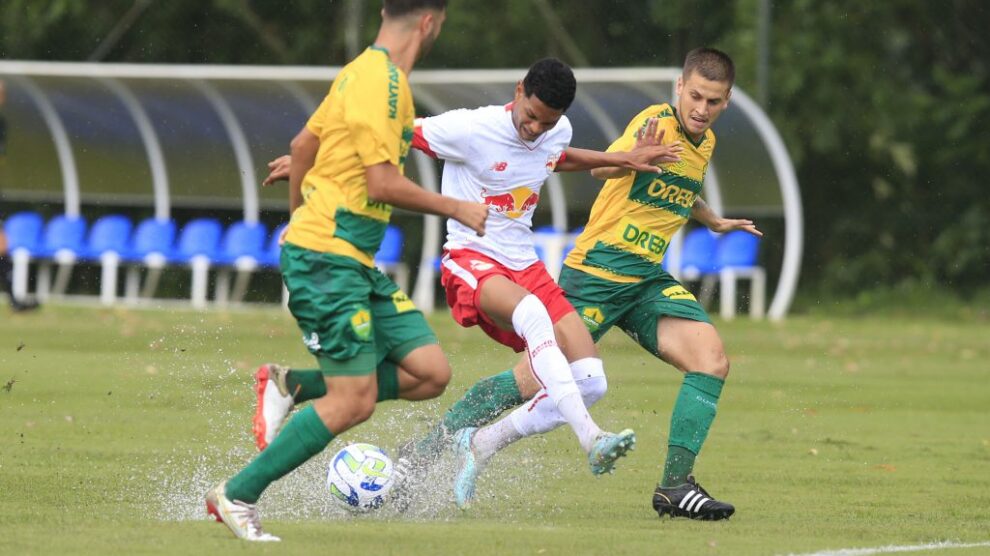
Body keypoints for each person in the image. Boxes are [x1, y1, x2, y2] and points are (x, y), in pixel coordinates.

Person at [255, 58, 683, 509]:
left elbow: (553, 157)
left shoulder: (558, 131)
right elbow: (389, 137)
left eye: (547, 122)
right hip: (471, 259)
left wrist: (620, 158)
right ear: (518, 91)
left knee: (591, 381)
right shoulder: (467, 128)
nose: (535, 128)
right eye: (530, 116)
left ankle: (480, 443)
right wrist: (317, 158)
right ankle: (592, 439)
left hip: (525, 265)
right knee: (536, 318)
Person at [399, 47, 761, 520]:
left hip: (646, 279)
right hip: (596, 273)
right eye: (695, 96)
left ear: (726, 102)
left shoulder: (704, 143)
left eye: (713, 102)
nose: (701, 108)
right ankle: (429, 447)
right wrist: (630, 159)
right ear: (679, 87)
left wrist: (711, 220)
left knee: (711, 360)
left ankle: (674, 486)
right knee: (532, 380)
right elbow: (605, 167)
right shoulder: (656, 121)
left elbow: (681, 187)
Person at [205, 0, 490, 542]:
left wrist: (299, 218)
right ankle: (237, 494)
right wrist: (456, 207)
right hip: (329, 260)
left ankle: (290, 383)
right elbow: (382, 183)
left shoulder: (360, 70)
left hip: (349, 260)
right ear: (430, 22)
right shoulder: (384, 84)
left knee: (429, 371)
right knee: (352, 401)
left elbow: (302, 147)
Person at [0, 79, 39, 313]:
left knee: (3, 245)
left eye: (3, 93)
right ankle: (15, 300)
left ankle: (15, 300)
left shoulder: (2, 124)